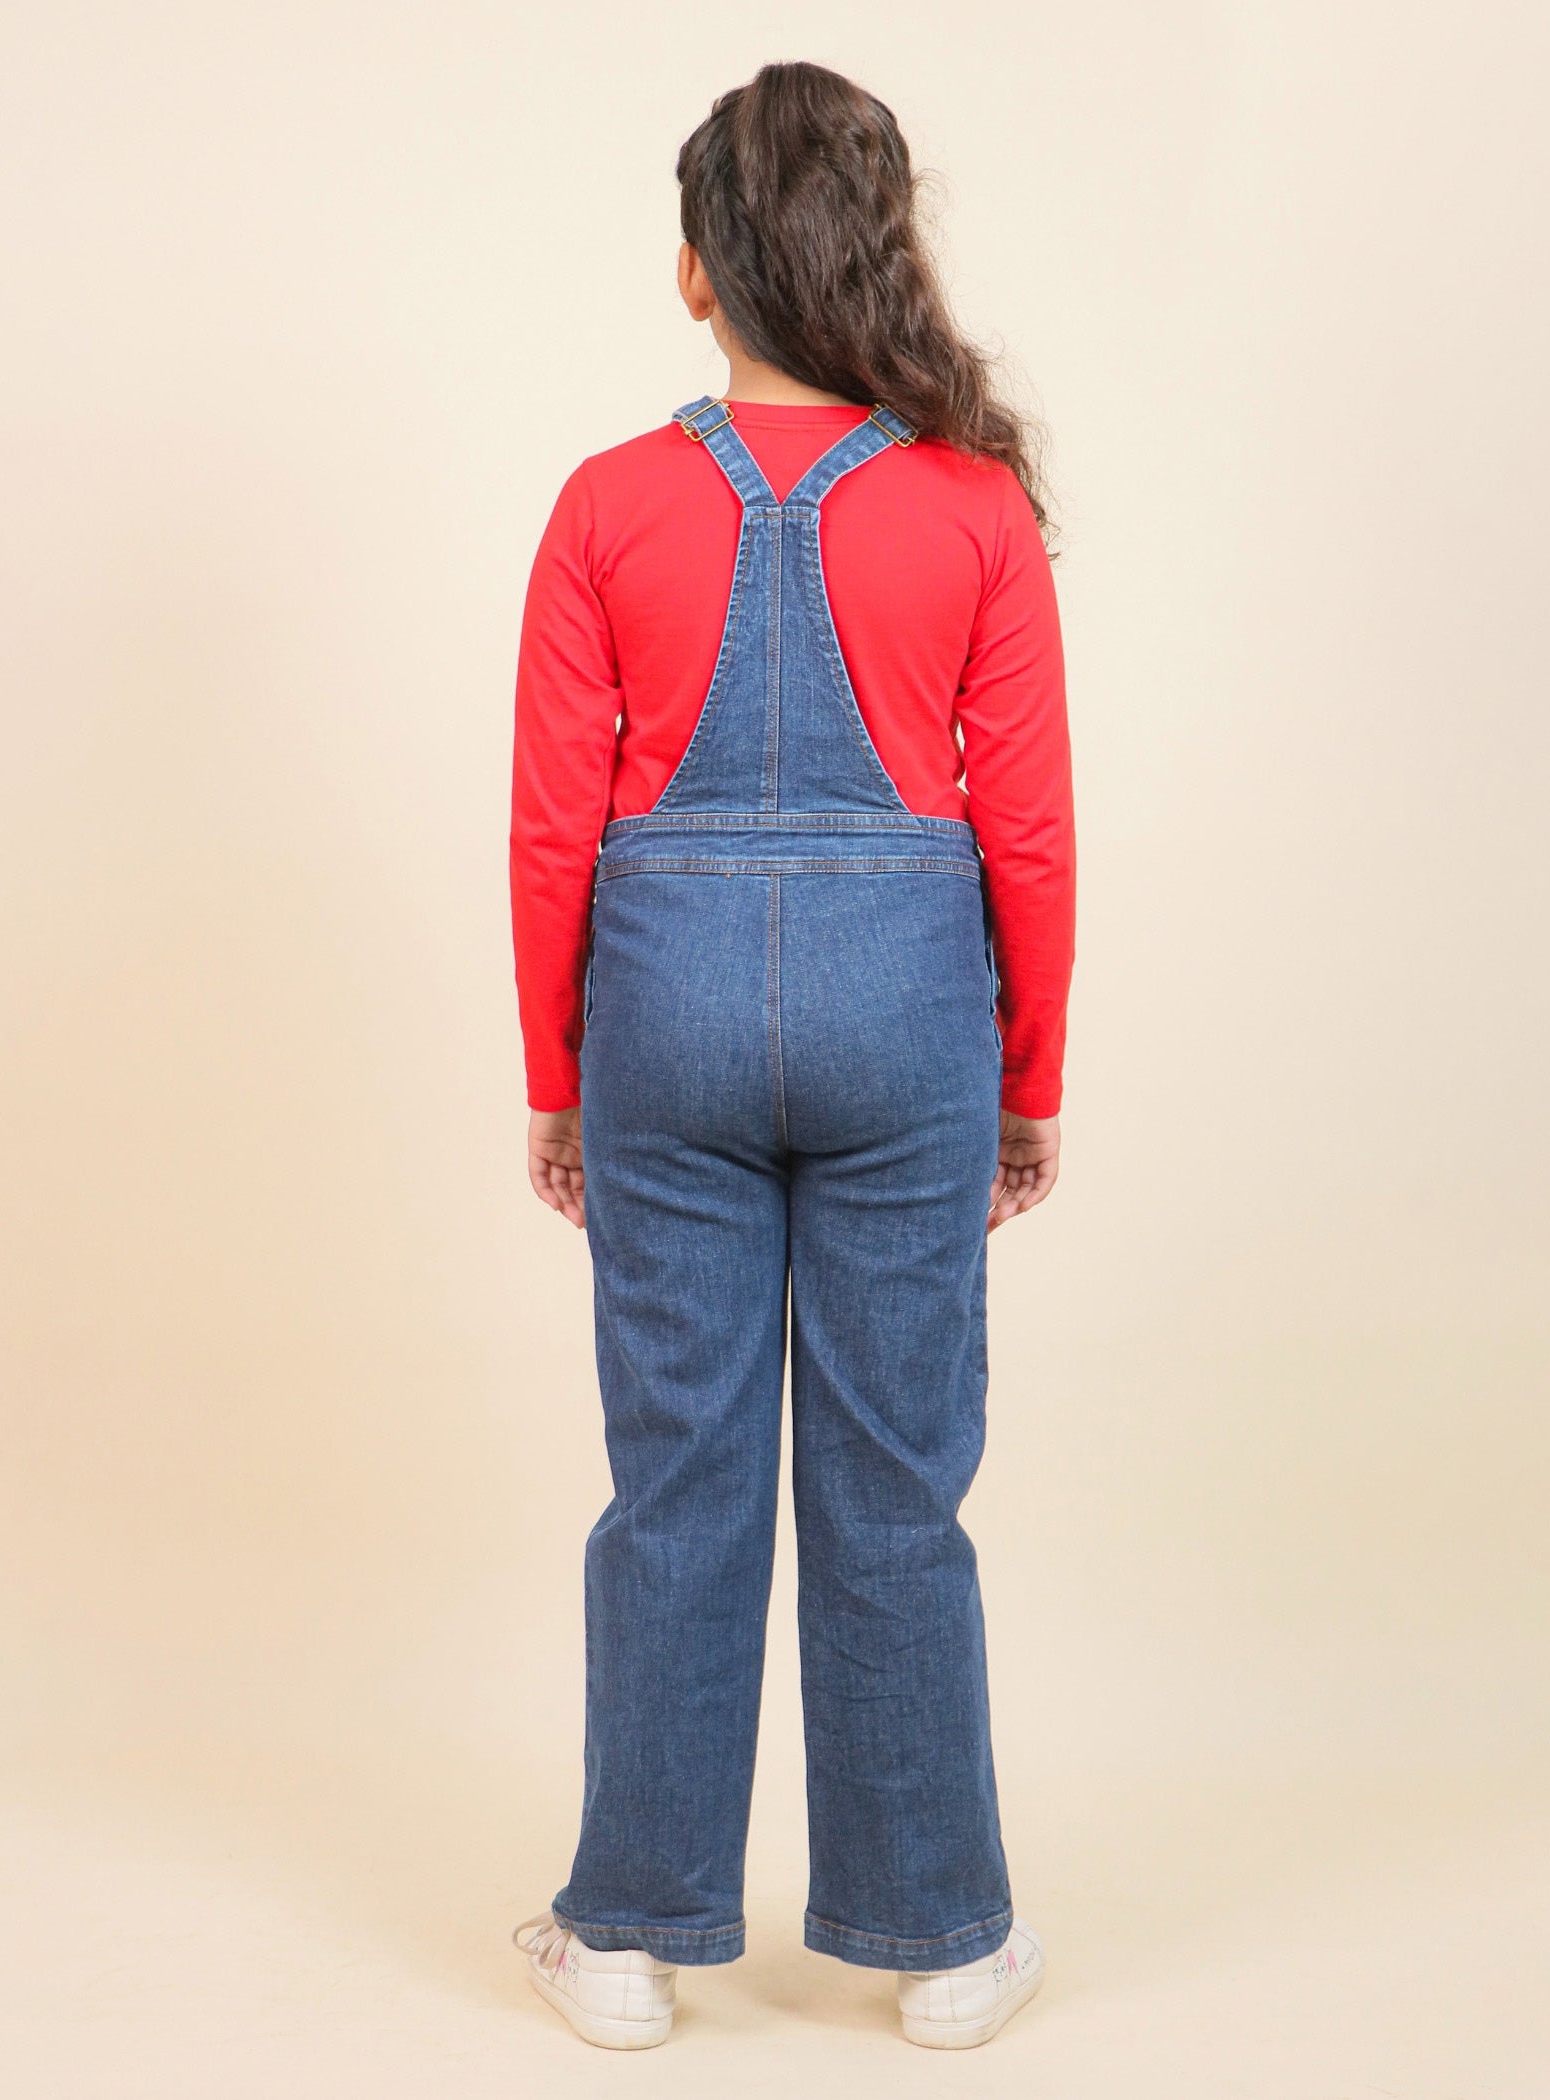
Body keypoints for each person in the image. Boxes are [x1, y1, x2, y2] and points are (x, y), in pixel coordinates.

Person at [507, 60, 1074, 2051]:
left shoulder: (603, 505)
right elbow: (1023, 829)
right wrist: (1027, 1072)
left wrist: (553, 1071)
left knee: (674, 1479)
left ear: (692, 274)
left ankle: (629, 1938)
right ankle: (937, 1943)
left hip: (653, 1010)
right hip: (908, 1015)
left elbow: (549, 825)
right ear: (872, 251)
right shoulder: (971, 504)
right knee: (892, 1487)